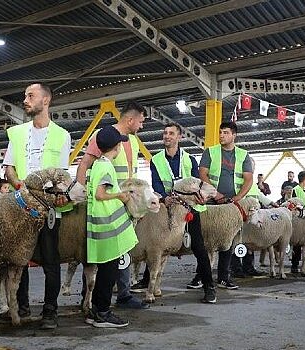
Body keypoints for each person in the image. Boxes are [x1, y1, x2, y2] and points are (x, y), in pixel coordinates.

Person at [1, 83, 72, 329]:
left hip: (48, 209)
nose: (25, 100)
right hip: (19, 207)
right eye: (25, 96)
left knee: (51, 260)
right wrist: (18, 185)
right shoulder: (17, 133)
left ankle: (50, 311)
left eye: (31, 96)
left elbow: (61, 174)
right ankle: (20, 306)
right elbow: (9, 167)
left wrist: (57, 194)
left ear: (46, 100)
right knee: (17, 259)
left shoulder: (62, 135)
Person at [132, 123, 216, 303]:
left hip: (190, 210)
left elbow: (196, 183)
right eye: (165, 133)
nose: (167, 136)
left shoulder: (189, 159)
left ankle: (209, 287)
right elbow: (156, 184)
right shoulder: (156, 160)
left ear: (179, 137)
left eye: (171, 133)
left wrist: (200, 198)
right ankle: (147, 281)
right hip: (167, 207)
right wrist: (163, 198)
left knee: (199, 248)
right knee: (156, 243)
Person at [76, 101, 149, 310]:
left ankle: (124, 294)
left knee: (122, 249)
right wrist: (81, 193)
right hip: (105, 205)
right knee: (100, 252)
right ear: (130, 119)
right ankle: (88, 296)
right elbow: (84, 163)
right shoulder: (103, 136)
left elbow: (130, 175)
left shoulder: (132, 142)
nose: (141, 126)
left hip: (123, 204)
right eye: (141, 122)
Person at [84, 125, 139, 327]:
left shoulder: (97, 164)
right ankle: (103, 313)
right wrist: (120, 195)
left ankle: (96, 311)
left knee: (105, 271)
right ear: (116, 148)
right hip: (108, 227)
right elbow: (100, 194)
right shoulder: (106, 166)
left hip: (101, 227)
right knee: (109, 272)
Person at [199, 121, 260, 288]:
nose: (221, 136)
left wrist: (238, 197)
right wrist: (215, 194)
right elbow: (202, 174)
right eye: (220, 132)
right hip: (211, 201)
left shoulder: (243, 155)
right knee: (204, 239)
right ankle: (200, 276)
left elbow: (248, 179)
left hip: (233, 204)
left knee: (229, 240)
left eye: (225, 133)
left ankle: (224, 277)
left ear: (234, 135)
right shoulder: (210, 152)